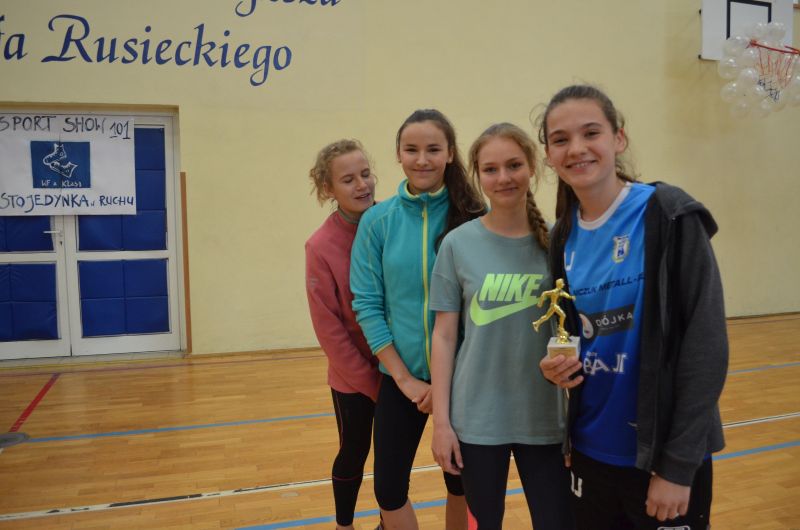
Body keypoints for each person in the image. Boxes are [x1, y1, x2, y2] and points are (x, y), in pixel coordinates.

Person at [537, 84, 728, 530]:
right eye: (561, 140)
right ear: (548, 155)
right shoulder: (562, 236)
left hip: (662, 460)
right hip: (590, 453)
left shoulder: (669, 214)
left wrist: (677, 466)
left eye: (591, 133)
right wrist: (556, 367)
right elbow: (575, 335)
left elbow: (706, 346)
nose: (576, 148)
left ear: (618, 138)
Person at [429, 123, 574, 530]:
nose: (503, 177)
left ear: (533, 167)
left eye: (513, 165)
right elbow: (443, 337)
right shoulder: (457, 244)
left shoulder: (560, 242)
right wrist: (442, 423)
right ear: (478, 175)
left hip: (545, 417)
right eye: (490, 169)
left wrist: (577, 420)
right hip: (476, 419)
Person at [350, 109, 485, 530]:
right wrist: (406, 380)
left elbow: (483, 304)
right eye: (411, 149)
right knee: (388, 490)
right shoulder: (377, 221)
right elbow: (367, 304)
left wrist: (452, 379)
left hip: (463, 380)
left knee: (461, 484)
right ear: (398, 154)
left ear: (450, 154)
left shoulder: (474, 216)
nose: (422, 159)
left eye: (433, 149)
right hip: (401, 380)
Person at [305, 139, 382, 530]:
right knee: (354, 450)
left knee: (392, 458)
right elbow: (329, 329)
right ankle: (344, 525)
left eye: (365, 174)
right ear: (328, 189)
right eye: (348, 179)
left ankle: (390, 522)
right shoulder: (320, 246)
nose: (362, 185)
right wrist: (370, 382)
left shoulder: (391, 223)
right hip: (353, 378)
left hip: (398, 370)